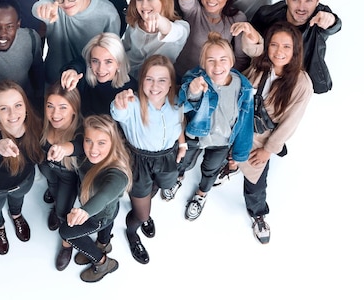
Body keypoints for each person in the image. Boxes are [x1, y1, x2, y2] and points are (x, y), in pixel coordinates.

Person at [231, 21, 313, 244]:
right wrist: (249, 31)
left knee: (256, 180)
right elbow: (253, 47)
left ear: (295, 50)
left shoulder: (301, 83)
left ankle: (258, 214)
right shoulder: (262, 65)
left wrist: (268, 150)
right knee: (220, 151)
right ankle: (227, 166)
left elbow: (289, 123)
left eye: (286, 47)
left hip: (262, 136)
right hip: (240, 123)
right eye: (274, 44)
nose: (279, 51)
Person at [162, 33, 253, 224]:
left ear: (232, 61)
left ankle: (202, 194)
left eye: (223, 60)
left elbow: (245, 120)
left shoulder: (243, 87)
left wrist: (239, 154)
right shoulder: (197, 79)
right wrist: (193, 92)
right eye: (211, 60)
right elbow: (182, 103)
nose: (217, 66)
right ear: (203, 63)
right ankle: (177, 178)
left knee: (211, 169)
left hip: (221, 141)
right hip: (196, 135)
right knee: (183, 161)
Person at [111, 55, 185, 265]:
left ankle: (144, 206)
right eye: (149, 79)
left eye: (162, 80)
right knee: (142, 214)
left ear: (170, 82)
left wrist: (182, 144)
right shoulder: (132, 103)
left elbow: (179, 122)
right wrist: (120, 103)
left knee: (157, 187)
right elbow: (118, 112)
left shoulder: (176, 102)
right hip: (140, 161)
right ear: (141, 80)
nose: (155, 86)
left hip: (166, 158)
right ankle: (133, 232)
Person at [0, 80, 45, 255]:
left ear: (26, 106)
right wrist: (1, 145)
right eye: (3, 108)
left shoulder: (36, 126)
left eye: (18, 105)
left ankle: (16, 215)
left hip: (23, 182)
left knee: (17, 201)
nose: (12, 113)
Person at [59, 114, 132, 283]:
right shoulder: (87, 154)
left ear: (112, 142)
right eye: (88, 141)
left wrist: (84, 211)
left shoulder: (118, 173)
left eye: (101, 142)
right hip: (108, 211)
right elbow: (76, 146)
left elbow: (104, 195)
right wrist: (62, 148)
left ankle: (103, 263)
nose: (93, 149)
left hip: (99, 215)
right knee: (106, 228)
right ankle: (103, 243)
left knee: (66, 232)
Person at [250, 0, 342, 94]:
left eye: (309, 0)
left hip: (301, 83)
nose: (301, 7)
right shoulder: (266, 15)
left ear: (317, 0)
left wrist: (331, 20)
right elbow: (251, 48)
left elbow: (334, 25)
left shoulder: (320, 16)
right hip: (266, 80)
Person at [32, 0, 120, 85]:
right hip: (54, 83)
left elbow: (113, 55)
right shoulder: (53, 4)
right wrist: (43, 8)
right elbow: (38, 7)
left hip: (90, 85)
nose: (66, 2)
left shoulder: (107, 13)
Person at [172, 0, 254, 80]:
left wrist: (222, 79)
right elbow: (186, 0)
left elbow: (240, 59)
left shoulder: (237, 18)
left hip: (214, 83)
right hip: (182, 77)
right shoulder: (195, 11)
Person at [37, 83, 84, 271]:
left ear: (74, 109)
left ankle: (67, 245)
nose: (55, 114)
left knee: (63, 213)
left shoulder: (82, 130)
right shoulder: (43, 122)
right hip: (48, 170)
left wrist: (64, 149)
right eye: (50, 106)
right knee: (52, 188)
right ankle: (55, 202)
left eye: (63, 107)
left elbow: (79, 145)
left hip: (67, 176)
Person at [122, 0, 190, 79]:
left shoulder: (181, 27)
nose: (144, 5)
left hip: (155, 85)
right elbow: (123, 50)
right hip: (126, 78)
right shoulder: (134, 24)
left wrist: (160, 20)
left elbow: (174, 31)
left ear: (164, 0)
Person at [61, 32, 138, 117]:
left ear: (119, 63)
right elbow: (79, 63)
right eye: (95, 61)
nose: (100, 69)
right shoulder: (83, 79)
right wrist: (73, 70)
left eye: (108, 62)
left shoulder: (131, 88)